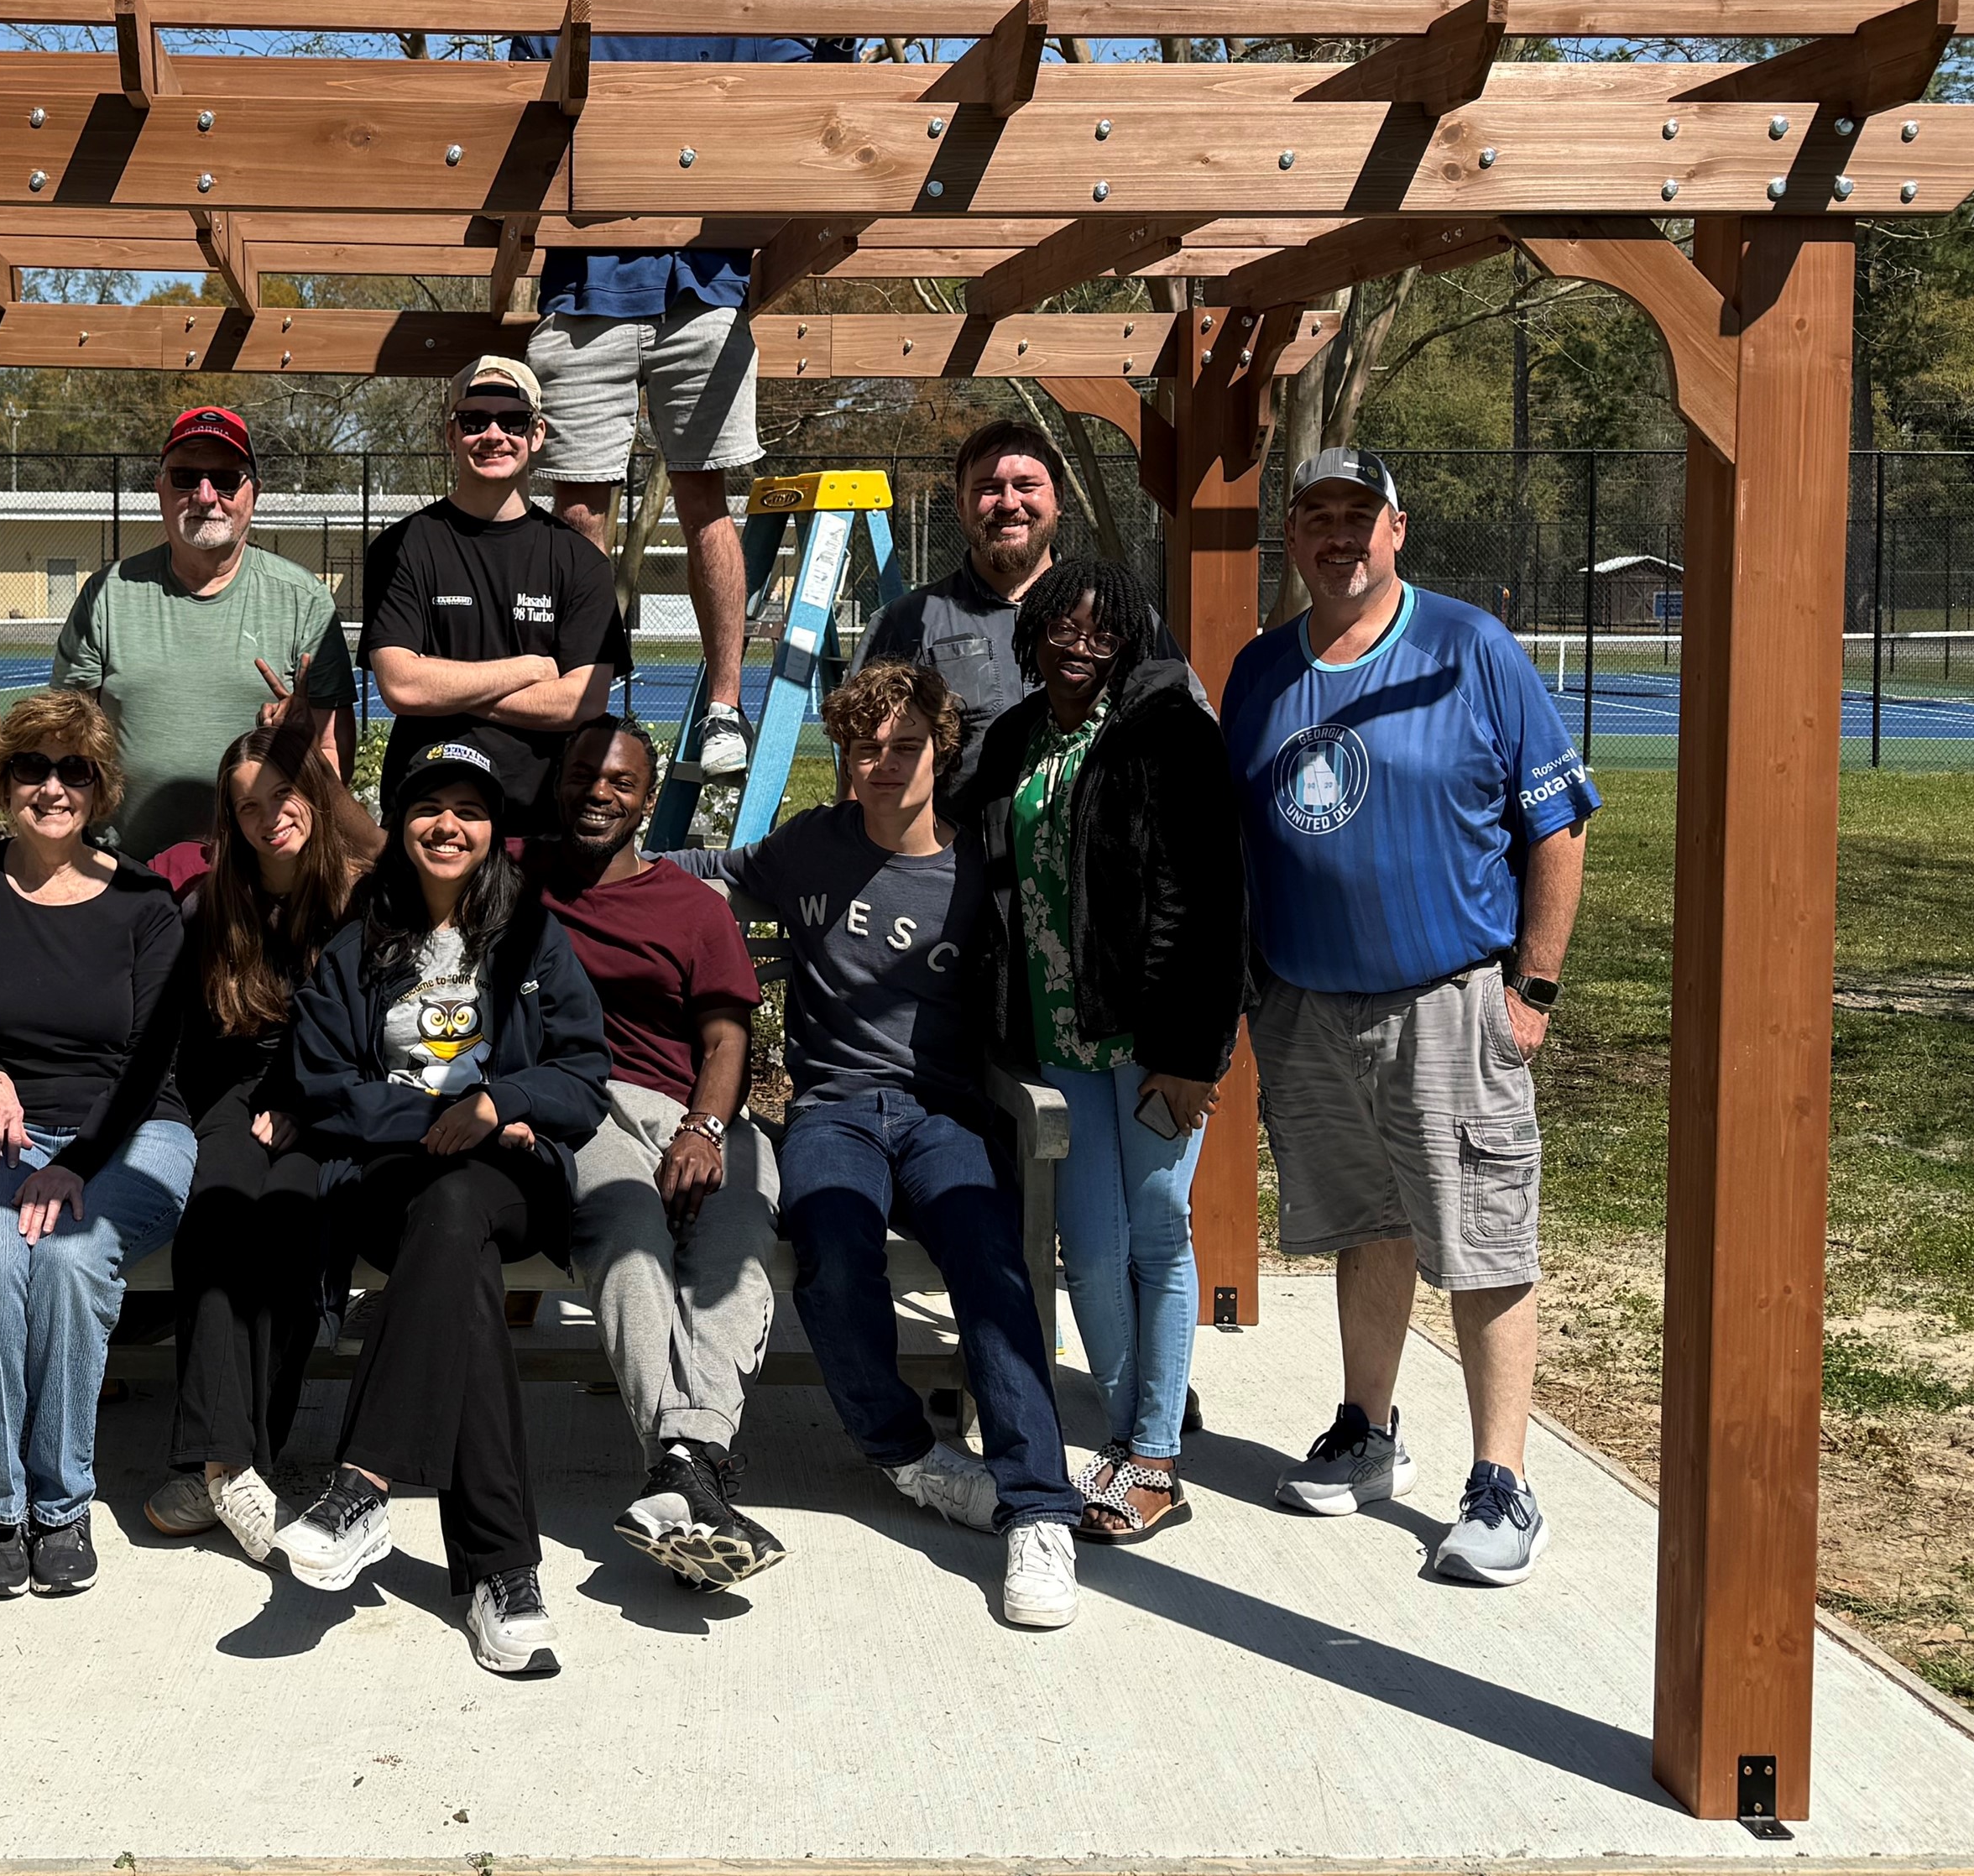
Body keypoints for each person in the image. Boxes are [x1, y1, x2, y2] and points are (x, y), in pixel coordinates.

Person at [1223, 450, 1596, 1587]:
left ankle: (1503, 1482)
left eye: (1359, 515)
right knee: (1365, 1222)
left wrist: (1533, 988)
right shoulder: (1259, 671)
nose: (1339, 535)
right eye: (1316, 517)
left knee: (1481, 1234)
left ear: (1397, 529)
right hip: (1306, 1007)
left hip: (1448, 998)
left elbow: (1559, 824)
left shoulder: (1469, 647)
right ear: (1293, 536)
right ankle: (1367, 1429)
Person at [662, 660, 1083, 1630]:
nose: (884, 764)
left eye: (905, 746)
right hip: (834, 1111)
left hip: (944, 1114)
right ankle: (907, 1453)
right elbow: (716, 872)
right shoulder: (813, 845)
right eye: (864, 748)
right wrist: (600, 867)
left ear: (943, 750)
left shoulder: (982, 871)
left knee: (991, 1260)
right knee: (833, 1247)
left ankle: (1038, 1509)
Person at [511, 0, 850, 783]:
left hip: (703, 282)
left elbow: (816, 96)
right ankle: (583, 702)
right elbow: (510, 140)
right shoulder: (548, 13)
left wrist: (833, 22)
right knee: (579, 505)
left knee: (705, 494)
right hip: (586, 287)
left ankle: (725, 709)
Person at [281, 739, 612, 1679]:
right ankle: (503, 1574)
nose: (448, 825)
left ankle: (363, 1482)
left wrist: (502, 1103)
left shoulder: (533, 937)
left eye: (470, 809)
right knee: (455, 1252)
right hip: (394, 1181)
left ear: (494, 830)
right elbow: (324, 1087)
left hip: (512, 1176)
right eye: (430, 807)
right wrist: (441, 1115)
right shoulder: (358, 945)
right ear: (399, 824)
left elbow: (585, 1074)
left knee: (462, 1204)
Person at [955, 559, 1250, 1545]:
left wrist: (1194, 1053)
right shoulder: (1014, 738)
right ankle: (1130, 1441)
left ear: (1129, 639)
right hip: (1059, 1036)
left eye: (1103, 631)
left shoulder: (1171, 730)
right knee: (1088, 1247)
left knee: (1156, 1233)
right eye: (1063, 629)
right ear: (1032, 633)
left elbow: (1213, 897)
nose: (1081, 646)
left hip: (1155, 1038)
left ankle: (1153, 1457)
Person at [0, 687, 198, 1601]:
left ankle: (62, 1507)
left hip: (129, 1132)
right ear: (4, 782)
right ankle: (0, 1511)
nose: (54, 787)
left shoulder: (144, 901)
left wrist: (76, 1163)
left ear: (102, 788)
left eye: (77, 770)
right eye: (32, 767)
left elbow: (150, 1065)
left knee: (69, 1256)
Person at [532, 717, 782, 1589]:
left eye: (622, 781)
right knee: (627, 1233)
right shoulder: (518, 878)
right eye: (583, 775)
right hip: (584, 1108)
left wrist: (704, 1130)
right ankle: (693, 1470)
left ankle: (682, 1472)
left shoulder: (691, 906)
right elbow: (382, 846)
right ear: (558, 783)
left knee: (736, 1244)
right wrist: (312, 758)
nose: (598, 793)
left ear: (647, 800)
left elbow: (726, 1039)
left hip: (695, 1114)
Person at [142, 724, 379, 1565]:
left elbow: (378, 1038)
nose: (271, 816)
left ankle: (235, 1460)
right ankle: (225, 1464)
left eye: (284, 795)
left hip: (333, 1097)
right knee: (216, 1216)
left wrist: (309, 1102)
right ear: (230, 821)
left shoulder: (363, 901)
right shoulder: (211, 905)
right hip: (234, 1091)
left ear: (314, 794)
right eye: (248, 807)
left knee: (292, 1219)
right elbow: (188, 1044)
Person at [51, 405, 361, 866]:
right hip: (123, 871)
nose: (205, 495)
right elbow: (65, 736)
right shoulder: (107, 595)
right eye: (185, 478)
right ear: (160, 488)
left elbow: (334, 751)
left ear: (254, 493)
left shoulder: (304, 600)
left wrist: (305, 750)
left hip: (259, 875)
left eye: (226, 479)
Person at [358, 356, 624, 834]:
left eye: (513, 420)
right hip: (425, 819)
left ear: (536, 434)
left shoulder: (581, 561)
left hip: (540, 826)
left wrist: (444, 691)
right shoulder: (401, 548)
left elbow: (581, 702)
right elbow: (401, 686)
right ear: (450, 434)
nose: (494, 434)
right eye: (474, 420)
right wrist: (531, 669)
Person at [860, 417, 1070, 786]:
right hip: (956, 826)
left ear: (1059, 500)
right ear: (961, 503)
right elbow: (862, 766)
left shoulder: (1116, 616)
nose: (1009, 503)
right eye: (989, 488)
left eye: (1026, 486)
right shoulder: (903, 625)